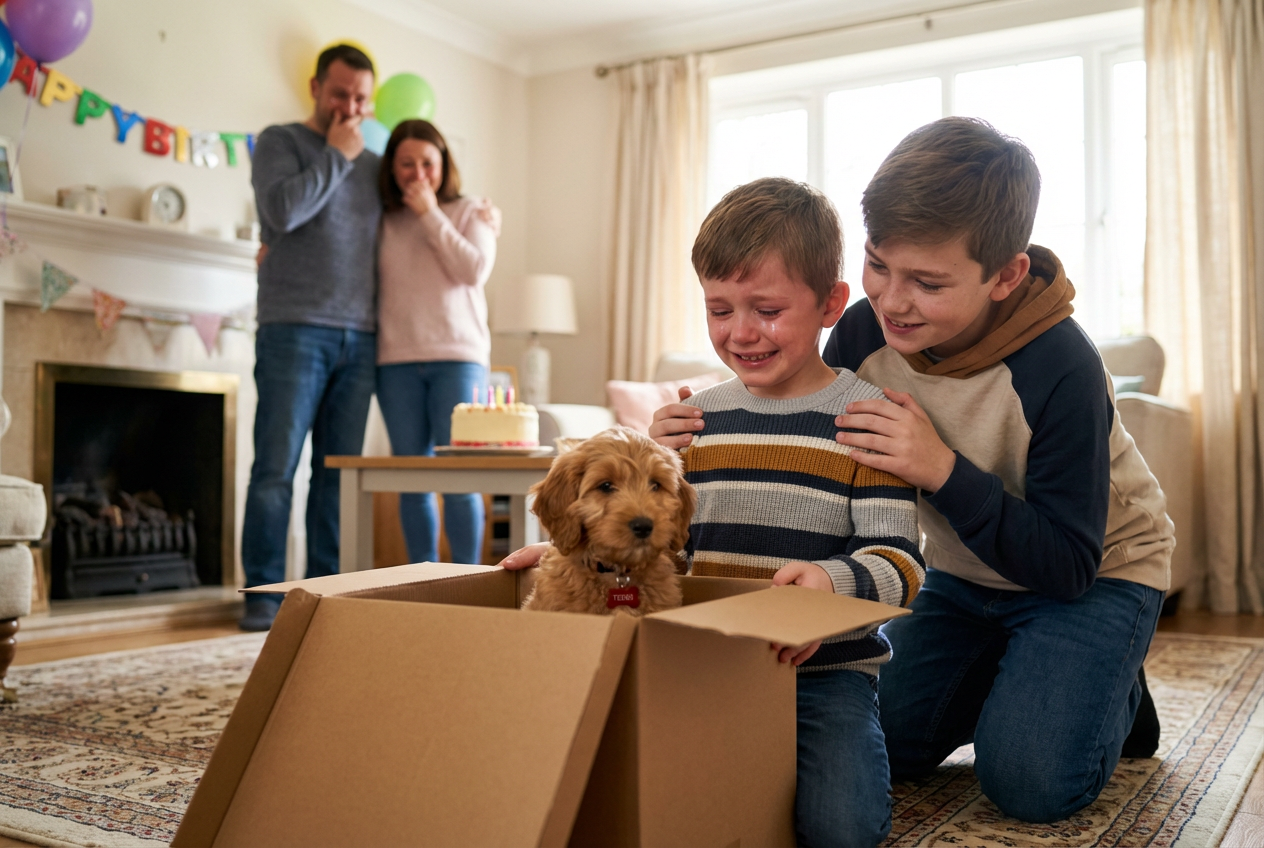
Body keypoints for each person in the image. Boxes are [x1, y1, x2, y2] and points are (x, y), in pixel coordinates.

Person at [651, 117, 1174, 825]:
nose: (892, 300)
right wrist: (681, 443)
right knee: (880, 736)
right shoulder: (867, 332)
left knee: (1031, 781)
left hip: (1088, 576)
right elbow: (802, 429)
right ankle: (1028, 670)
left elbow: (1068, 563)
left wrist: (941, 469)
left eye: (927, 282)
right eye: (878, 265)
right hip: (962, 577)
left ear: (1006, 274)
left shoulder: (1063, 367)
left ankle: (1114, 688)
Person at [510, 177, 926, 848]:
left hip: (823, 679)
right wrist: (573, 552)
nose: (741, 332)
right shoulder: (694, 422)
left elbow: (900, 563)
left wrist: (829, 588)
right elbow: (658, 542)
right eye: (719, 309)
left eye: (766, 308)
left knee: (841, 829)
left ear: (829, 304)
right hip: (701, 666)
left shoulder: (867, 421)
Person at [240, 44, 380, 631]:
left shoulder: (375, 165)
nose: (349, 107)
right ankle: (263, 598)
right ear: (317, 88)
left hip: (362, 336)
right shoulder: (281, 141)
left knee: (336, 474)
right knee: (276, 468)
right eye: (339, 94)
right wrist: (336, 154)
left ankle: (322, 597)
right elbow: (280, 214)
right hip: (294, 328)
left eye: (360, 99)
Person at [374, 120, 499, 565]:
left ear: (444, 164)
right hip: (395, 362)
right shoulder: (383, 220)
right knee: (412, 478)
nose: (417, 173)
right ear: (392, 167)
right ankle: (421, 579)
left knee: (460, 479)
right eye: (406, 163)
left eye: (428, 162)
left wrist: (429, 213)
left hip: (457, 358)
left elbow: (473, 271)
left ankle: (468, 580)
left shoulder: (471, 211)